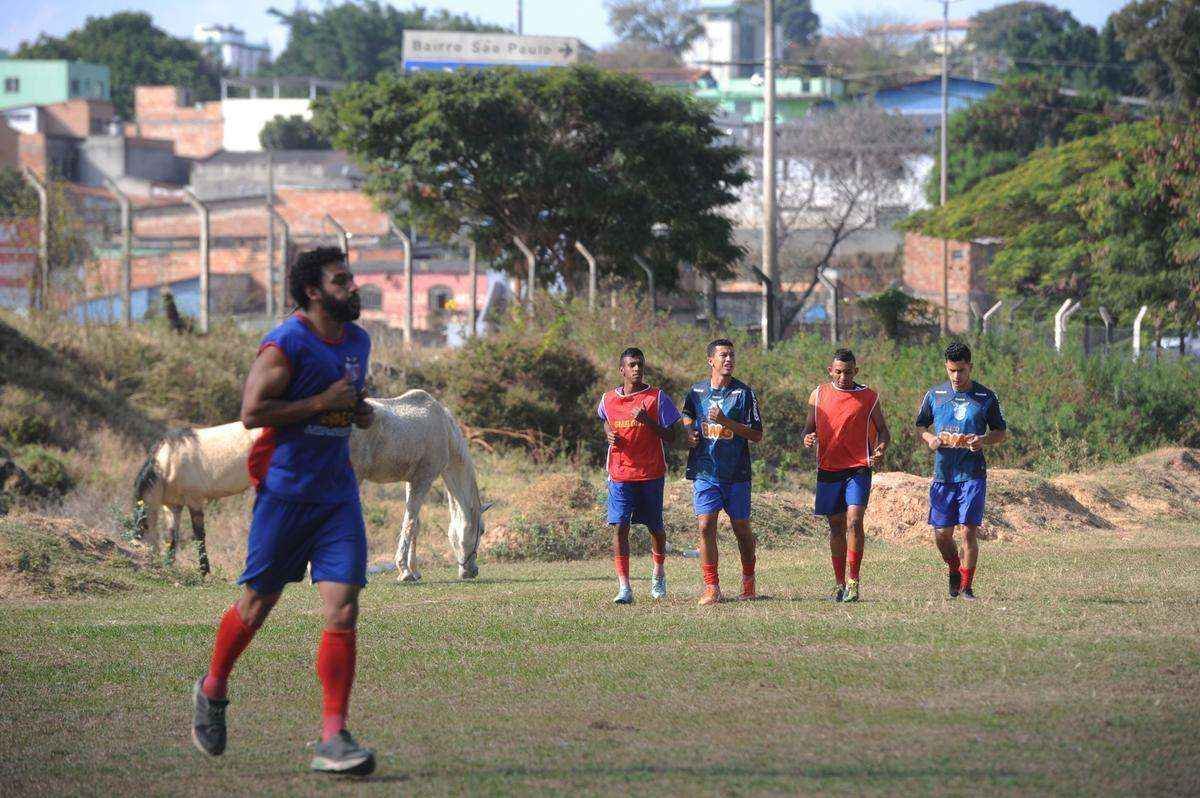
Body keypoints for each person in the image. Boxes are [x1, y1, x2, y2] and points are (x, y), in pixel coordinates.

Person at [190, 247, 378, 775]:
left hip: (338, 496)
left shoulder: (359, 340)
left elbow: (349, 406)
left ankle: (333, 736)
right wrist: (321, 403)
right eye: (341, 281)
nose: (353, 287)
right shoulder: (286, 342)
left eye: (351, 278)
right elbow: (252, 413)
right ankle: (212, 688)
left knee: (343, 608)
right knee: (256, 606)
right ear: (315, 292)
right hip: (285, 493)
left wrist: (356, 410)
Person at [915, 341, 1008, 600]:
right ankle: (954, 568)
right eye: (952, 370)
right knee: (942, 535)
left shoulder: (985, 397)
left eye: (961, 371)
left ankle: (966, 587)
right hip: (943, 475)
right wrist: (930, 439)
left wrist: (983, 440)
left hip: (973, 474)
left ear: (971, 368)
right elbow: (921, 426)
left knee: (968, 529)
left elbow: (1000, 432)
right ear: (946, 367)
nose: (956, 376)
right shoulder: (935, 395)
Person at [803, 349, 890, 603]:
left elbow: (884, 431)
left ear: (856, 372)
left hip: (858, 467)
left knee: (854, 520)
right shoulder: (818, 395)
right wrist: (808, 438)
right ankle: (839, 582)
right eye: (838, 372)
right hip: (829, 468)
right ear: (831, 371)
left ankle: (854, 581)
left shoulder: (869, 397)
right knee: (836, 526)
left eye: (848, 372)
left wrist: (881, 448)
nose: (843, 377)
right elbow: (809, 429)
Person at [598, 347, 684, 604]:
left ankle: (658, 573)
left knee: (655, 528)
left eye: (640, 365)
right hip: (620, 473)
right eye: (632, 365)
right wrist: (607, 433)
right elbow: (604, 418)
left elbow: (672, 437)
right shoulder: (608, 399)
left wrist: (648, 421)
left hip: (650, 473)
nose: (637, 369)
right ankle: (624, 588)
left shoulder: (656, 398)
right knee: (620, 527)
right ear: (621, 370)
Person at [682, 338, 764, 605]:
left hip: (736, 474)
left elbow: (757, 434)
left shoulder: (744, 393)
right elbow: (687, 418)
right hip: (705, 472)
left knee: (741, 529)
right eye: (723, 355)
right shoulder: (696, 392)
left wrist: (726, 422)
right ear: (711, 361)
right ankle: (712, 587)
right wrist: (689, 433)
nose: (728, 360)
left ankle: (748, 581)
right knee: (705, 525)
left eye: (731, 355)